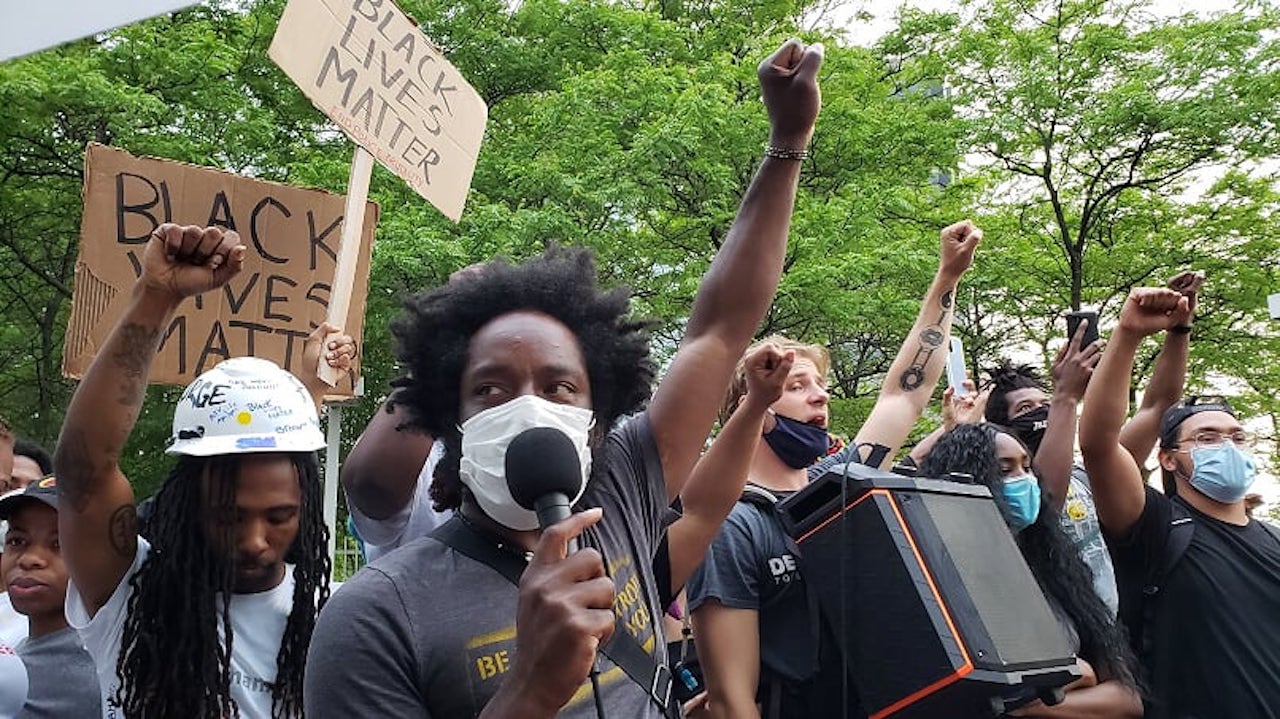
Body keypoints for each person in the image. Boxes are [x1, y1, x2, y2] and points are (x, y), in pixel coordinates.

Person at [303, 38, 822, 718]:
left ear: (598, 413)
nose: (528, 407)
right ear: (446, 414)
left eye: (558, 386)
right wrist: (530, 689)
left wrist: (787, 142)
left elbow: (719, 330)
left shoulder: (624, 488)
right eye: (490, 387)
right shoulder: (374, 616)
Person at [54, 223, 355, 718]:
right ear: (188, 503)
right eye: (229, 516)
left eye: (278, 516)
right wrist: (156, 296)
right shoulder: (130, 597)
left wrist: (308, 392)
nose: (256, 540)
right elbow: (83, 469)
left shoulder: (340, 617)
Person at [687, 219, 981, 719]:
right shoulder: (731, 527)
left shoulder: (840, 483)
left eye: (819, 383)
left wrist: (947, 279)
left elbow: (906, 392)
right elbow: (733, 701)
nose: (821, 394)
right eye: (798, 386)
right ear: (752, 408)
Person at [1079, 286, 1280, 718]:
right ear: (1168, 459)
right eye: (1206, 438)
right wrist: (1128, 334)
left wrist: (1182, 328)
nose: (1226, 446)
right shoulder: (1156, 527)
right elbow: (1100, 442)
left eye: (1236, 437)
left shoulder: (1274, 540)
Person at [981, 272, 1202, 614]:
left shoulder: (1090, 474)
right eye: (1026, 409)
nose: (1042, 412)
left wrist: (1178, 331)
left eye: (1045, 402)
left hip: (1113, 644)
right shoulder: (999, 493)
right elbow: (1045, 506)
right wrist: (1065, 398)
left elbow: (1157, 409)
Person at [921, 424, 1141, 717]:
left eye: (1027, 467)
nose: (1023, 480)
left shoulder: (1057, 570)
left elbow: (1125, 700)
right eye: (1004, 470)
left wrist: (1027, 705)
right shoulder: (937, 579)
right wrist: (1074, 677)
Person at [1, 476, 101, 717]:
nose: (29, 559)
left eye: (59, 544)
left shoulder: (90, 666)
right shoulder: (22, 649)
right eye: (18, 541)